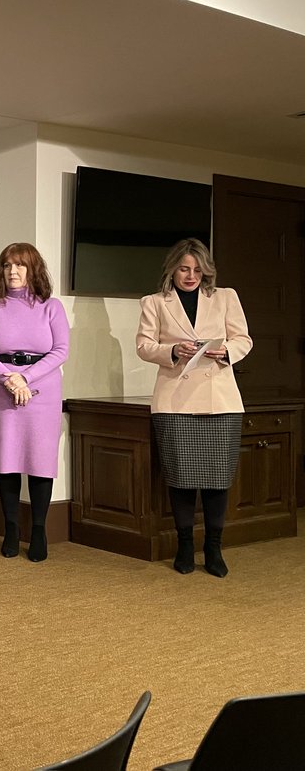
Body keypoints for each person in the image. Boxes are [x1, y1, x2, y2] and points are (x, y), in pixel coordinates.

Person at [136, 238, 251, 577]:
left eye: (198, 270)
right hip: (175, 399)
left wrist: (225, 351)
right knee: (181, 477)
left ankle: (213, 548)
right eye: (185, 269)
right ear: (172, 268)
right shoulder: (154, 302)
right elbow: (144, 345)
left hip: (220, 398)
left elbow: (244, 338)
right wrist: (173, 350)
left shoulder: (225, 297)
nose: (191, 276)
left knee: (218, 479)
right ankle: (185, 545)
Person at [0, 243, 68, 562]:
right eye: (6, 265)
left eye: (19, 265)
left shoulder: (50, 306)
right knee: (8, 460)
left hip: (42, 391)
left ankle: (39, 530)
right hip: (1, 390)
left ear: (33, 269)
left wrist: (25, 378)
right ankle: (11, 529)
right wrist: (9, 378)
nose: (12, 272)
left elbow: (60, 350)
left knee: (40, 462)